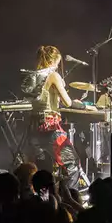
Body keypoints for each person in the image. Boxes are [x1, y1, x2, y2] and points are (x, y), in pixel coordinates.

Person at [30, 45, 84, 189]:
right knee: (72, 164)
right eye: (58, 63)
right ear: (53, 61)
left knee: (44, 172)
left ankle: (47, 202)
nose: (58, 66)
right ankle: (69, 201)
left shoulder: (35, 76)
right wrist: (83, 106)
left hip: (34, 129)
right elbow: (68, 102)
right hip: (50, 129)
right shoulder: (53, 75)